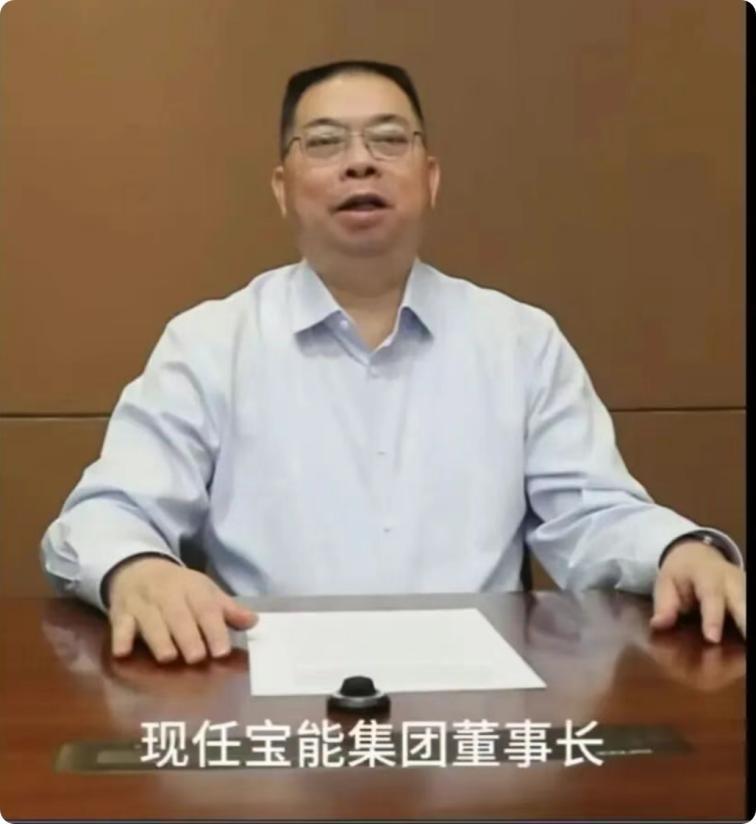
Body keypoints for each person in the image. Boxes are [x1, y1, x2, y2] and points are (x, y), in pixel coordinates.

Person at [41, 60, 745, 665]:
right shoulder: (209, 343)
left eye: (388, 139)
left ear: (430, 178)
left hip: (478, 706)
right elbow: (107, 513)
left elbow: (594, 514)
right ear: (282, 186)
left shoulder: (519, 341)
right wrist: (137, 568)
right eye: (325, 142)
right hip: (265, 699)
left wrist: (676, 550)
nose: (359, 162)